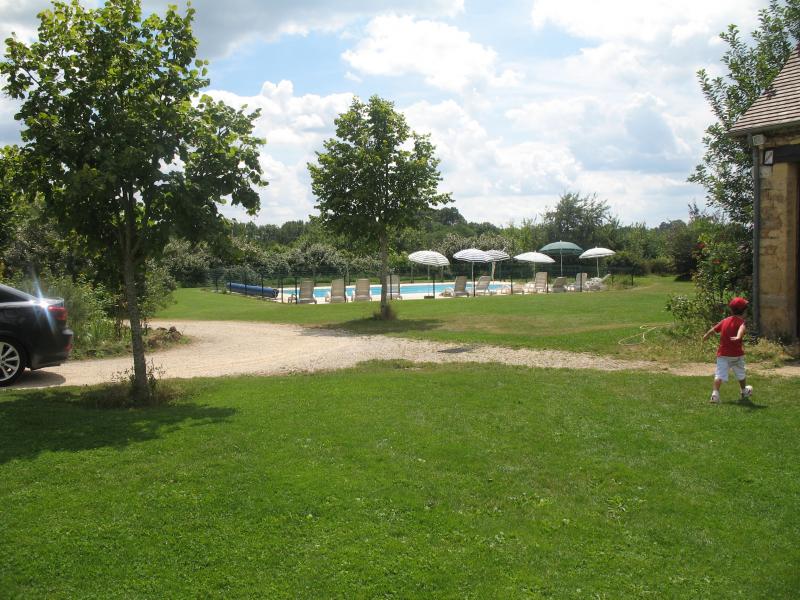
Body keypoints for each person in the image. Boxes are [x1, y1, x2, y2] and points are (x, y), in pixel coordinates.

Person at [702, 297, 753, 404]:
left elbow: (714, 329)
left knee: (719, 375)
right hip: (737, 355)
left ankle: (715, 395)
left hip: (723, 355)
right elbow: (741, 329)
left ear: (731, 310)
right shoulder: (742, 322)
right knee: (741, 373)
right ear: (744, 311)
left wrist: (706, 335)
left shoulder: (725, 320)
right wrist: (739, 336)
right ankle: (744, 391)